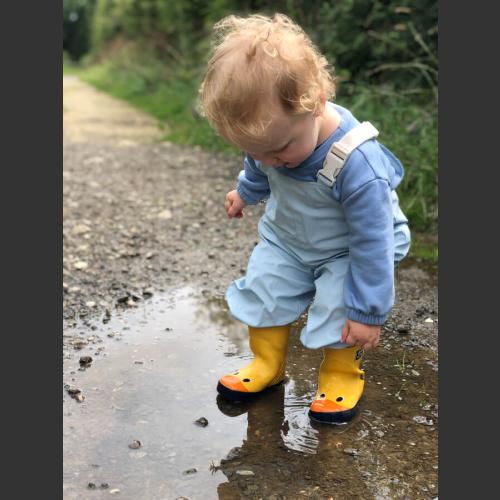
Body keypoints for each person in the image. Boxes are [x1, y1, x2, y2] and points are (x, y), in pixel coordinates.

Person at [199, 13, 411, 424]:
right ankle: (266, 363)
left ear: (314, 102)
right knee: (265, 284)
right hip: (291, 237)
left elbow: (373, 242)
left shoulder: (357, 163)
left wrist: (368, 312)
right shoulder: (271, 138)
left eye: (278, 151)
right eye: (255, 151)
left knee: (339, 301)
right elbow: (259, 167)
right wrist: (245, 191)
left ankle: (341, 372)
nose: (270, 161)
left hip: (353, 245)